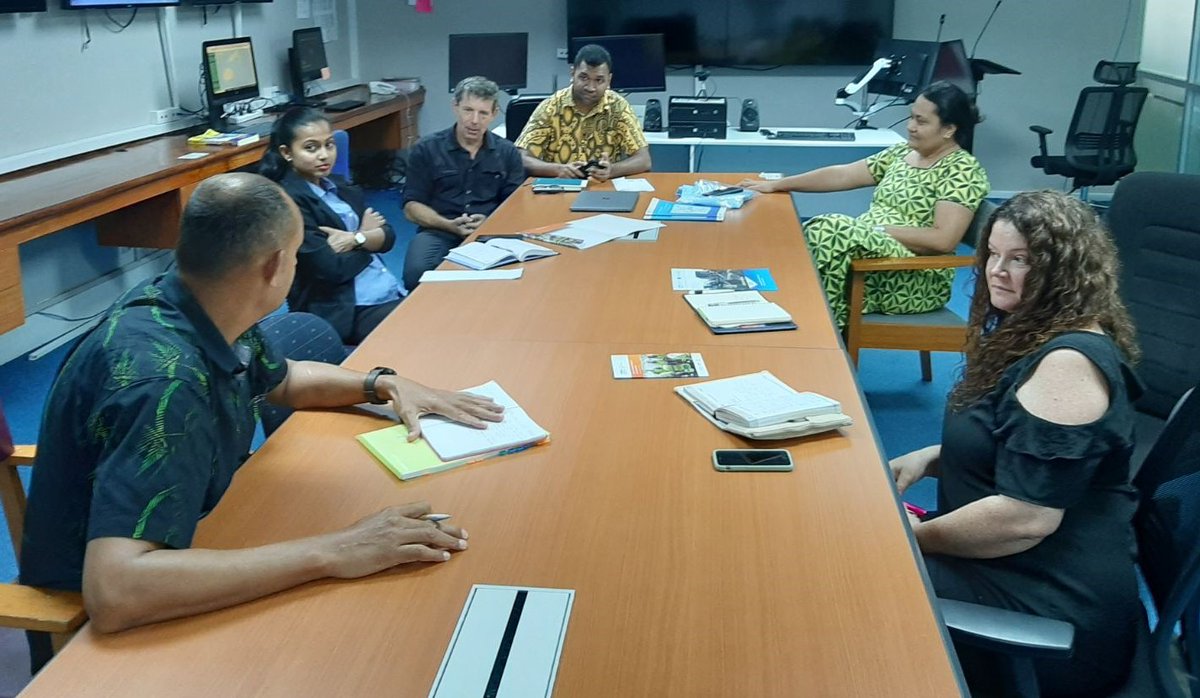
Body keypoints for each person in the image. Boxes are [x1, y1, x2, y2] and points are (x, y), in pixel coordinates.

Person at [19, 173, 505, 670]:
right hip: (104, 622)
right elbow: (116, 591)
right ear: (275, 267)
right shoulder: (165, 384)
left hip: (180, 538)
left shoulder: (196, 300)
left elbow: (285, 378)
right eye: (296, 255)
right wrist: (335, 550)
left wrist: (383, 384)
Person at [890, 191, 1142, 696]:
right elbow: (1016, 445)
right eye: (993, 255)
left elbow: (1025, 519)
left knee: (843, 580)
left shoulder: (1067, 364)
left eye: (1021, 260)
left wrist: (904, 542)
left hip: (1048, 605)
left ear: (1064, 271)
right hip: (1011, 566)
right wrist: (931, 458)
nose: (997, 271)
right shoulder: (1031, 331)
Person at [740, 81, 989, 329]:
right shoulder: (902, 154)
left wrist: (879, 230)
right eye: (911, 117)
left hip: (915, 276)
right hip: (869, 262)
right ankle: (802, 319)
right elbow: (843, 174)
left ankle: (820, 329)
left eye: (921, 122)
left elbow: (943, 240)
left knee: (830, 230)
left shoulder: (962, 170)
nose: (910, 127)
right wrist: (781, 184)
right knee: (818, 232)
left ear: (948, 129)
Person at [261, 108, 403, 345]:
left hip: (385, 288)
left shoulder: (341, 187)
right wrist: (366, 237)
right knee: (423, 325)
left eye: (329, 145)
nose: (324, 155)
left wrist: (355, 239)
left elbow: (388, 236)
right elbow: (331, 268)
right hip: (346, 308)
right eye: (311, 148)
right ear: (286, 152)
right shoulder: (288, 203)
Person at [402, 76, 526, 290]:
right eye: (468, 110)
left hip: (492, 231)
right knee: (416, 274)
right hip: (439, 229)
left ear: (494, 114)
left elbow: (514, 206)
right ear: (455, 107)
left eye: (483, 113)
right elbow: (411, 207)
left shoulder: (508, 153)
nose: (474, 120)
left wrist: (489, 221)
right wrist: (447, 224)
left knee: (517, 277)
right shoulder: (426, 149)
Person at [514, 44, 651, 181]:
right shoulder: (551, 107)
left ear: (609, 80)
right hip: (559, 186)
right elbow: (521, 158)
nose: (591, 87)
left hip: (602, 189)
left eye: (599, 80)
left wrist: (612, 170)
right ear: (572, 73)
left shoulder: (618, 107)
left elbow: (644, 160)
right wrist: (558, 169)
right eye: (584, 78)